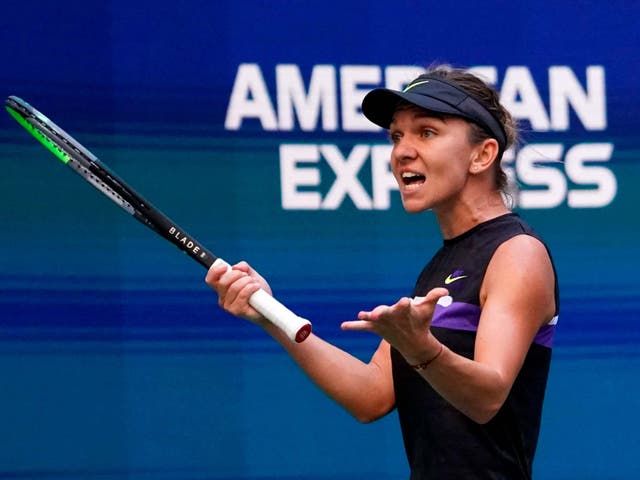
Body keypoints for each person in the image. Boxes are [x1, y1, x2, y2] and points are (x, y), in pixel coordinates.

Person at [206, 64, 559, 479]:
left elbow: (487, 397)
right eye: (396, 136)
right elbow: (371, 395)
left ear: (482, 155)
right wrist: (269, 315)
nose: (402, 151)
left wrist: (420, 348)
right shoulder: (443, 265)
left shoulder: (517, 253)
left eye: (426, 132)